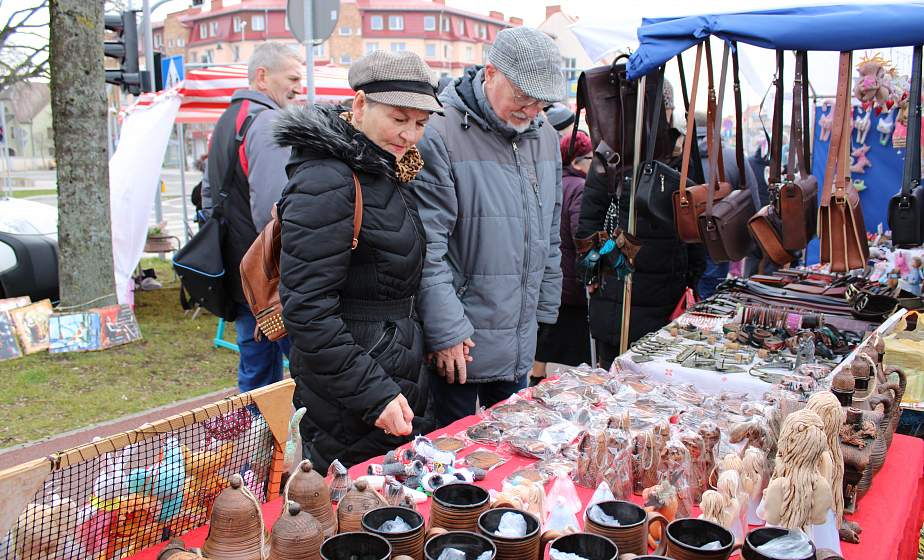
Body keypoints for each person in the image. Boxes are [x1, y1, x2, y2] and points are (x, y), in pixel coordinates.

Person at [275, 50, 440, 470]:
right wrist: (374, 393)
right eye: (399, 118)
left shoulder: (388, 169)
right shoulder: (327, 179)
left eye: (420, 124)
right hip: (350, 392)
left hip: (391, 369)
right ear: (361, 104)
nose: (410, 135)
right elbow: (308, 311)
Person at [412, 27, 564, 427]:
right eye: (522, 97)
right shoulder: (440, 132)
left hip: (518, 334)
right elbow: (429, 247)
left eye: (541, 102)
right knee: (452, 460)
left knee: (512, 455)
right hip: (460, 341)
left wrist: (544, 315)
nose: (531, 110)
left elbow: (550, 232)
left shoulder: (544, 136)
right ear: (491, 73)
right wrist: (445, 331)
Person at [577, 79, 705, 369]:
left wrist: (692, 275)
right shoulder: (612, 154)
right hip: (618, 291)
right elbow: (590, 222)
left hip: (665, 292)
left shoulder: (680, 154)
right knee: (616, 375)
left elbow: (694, 223)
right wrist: (592, 272)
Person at [201, 42, 302, 393]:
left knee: (256, 371)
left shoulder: (229, 117)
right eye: (291, 77)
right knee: (306, 367)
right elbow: (274, 209)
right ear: (262, 76)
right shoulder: (269, 120)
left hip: (238, 266)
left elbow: (208, 194)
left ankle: (259, 443)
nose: (298, 86)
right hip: (267, 274)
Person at [531, 131, 594, 384]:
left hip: (554, 274)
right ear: (577, 161)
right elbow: (582, 234)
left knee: (548, 333)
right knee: (573, 340)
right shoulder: (580, 187)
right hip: (571, 277)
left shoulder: (555, 182)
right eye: (589, 157)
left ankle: (537, 374)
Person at [692, 111, 759, 299]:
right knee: (711, 299)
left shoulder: (678, 158)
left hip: (684, 243)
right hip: (718, 240)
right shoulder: (732, 157)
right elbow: (752, 201)